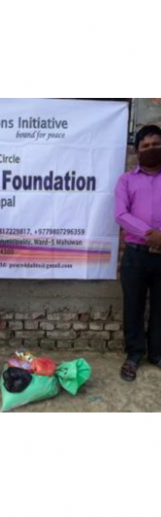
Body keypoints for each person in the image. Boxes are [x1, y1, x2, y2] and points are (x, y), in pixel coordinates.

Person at [116, 124, 161, 382]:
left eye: (156, 144)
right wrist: (152, 235)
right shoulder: (126, 180)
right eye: (145, 146)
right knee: (133, 307)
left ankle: (157, 354)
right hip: (135, 255)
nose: (151, 149)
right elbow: (121, 214)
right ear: (137, 151)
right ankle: (133, 355)